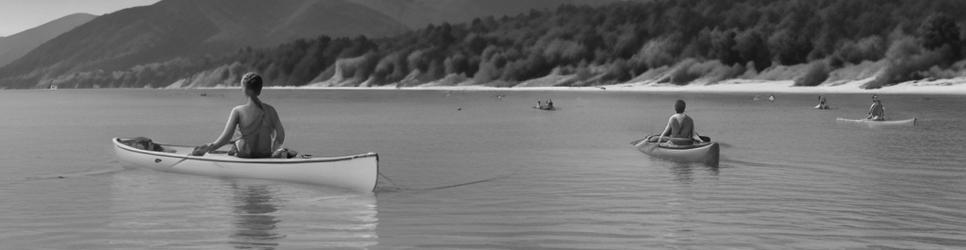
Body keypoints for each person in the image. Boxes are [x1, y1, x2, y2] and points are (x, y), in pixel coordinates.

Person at [192, 72, 285, 158]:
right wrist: (274, 152)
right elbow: (281, 136)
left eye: (242, 88)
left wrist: (209, 147)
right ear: (259, 89)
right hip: (265, 155)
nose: (241, 90)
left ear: (246, 90)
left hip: (245, 156)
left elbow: (226, 137)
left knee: (236, 139)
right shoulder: (271, 110)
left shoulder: (237, 111)